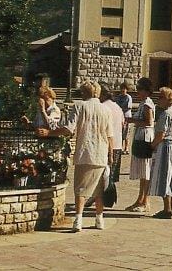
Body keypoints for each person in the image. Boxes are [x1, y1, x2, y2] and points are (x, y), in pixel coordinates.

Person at [42, 80, 114, 232]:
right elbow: (110, 135)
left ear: (84, 93)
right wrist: (111, 154)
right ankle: (99, 219)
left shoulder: (79, 106)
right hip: (101, 153)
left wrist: (50, 132)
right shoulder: (106, 110)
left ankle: (78, 220)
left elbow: (69, 129)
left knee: (81, 188)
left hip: (85, 151)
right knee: (99, 189)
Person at [149, 87, 172, 219]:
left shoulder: (166, 114)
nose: (158, 100)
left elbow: (161, 134)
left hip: (167, 147)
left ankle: (166, 208)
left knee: (165, 175)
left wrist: (152, 146)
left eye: (160, 97)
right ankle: (171, 207)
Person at [125, 78, 156, 212]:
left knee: (146, 171)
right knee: (143, 172)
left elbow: (149, 121)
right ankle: (140, 199)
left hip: (145, 137)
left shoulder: (148, 104)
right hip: (140, 135)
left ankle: (145, 200)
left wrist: (132, 120)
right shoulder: (143, 103)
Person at [99, 82, 125, 179]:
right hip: (117, 145)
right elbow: (123, 124)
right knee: (111, 180)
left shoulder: (103, 107)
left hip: (105, 146)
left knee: (102, 180)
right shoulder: (118, 107)